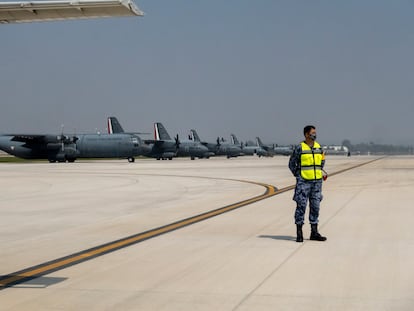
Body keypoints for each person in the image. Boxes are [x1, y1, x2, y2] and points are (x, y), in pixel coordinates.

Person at [288, 125, 327, 242]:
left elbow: (322, 161)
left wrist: (319, 172)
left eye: (315, 132)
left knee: (315, 207)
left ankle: (314, 232)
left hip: (317, 183)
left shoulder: (319, 147)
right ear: (306, 134)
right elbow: (291, 163)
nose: (315, 134)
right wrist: (298, 175)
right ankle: (299, 232)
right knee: (301, 206)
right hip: (303, 182)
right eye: (312, 133)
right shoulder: (300, 147)